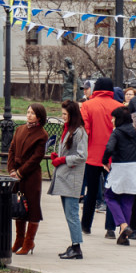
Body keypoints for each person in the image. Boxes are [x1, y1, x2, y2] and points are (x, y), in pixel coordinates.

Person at [81, 77, 123, 238]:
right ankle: (110, 229)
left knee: (91, 191)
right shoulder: (119, 107)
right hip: (113, 158)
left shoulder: (87, 105)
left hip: (92, 155)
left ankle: (86, 225)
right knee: (112, 192)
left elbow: (86, 131)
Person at [49, 100, 88, 259]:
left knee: (71, 213)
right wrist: (58, 156)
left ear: (72, 115)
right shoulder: (69, 130)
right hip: (65, 176)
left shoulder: (79, 132)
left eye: (65, 114)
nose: (62, 116)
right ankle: (74, 245)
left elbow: (82, 156)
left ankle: (77, 247)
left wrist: (63, 160)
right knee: (68, 214)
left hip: (71, 178)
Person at [8, 103, 49, 255]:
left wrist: (20, 172)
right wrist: (12, 170)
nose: (29, 115)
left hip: (30, 176)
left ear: (39, 116)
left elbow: (36, 158)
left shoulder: (42, 134)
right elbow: (11, 149)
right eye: (28, 112)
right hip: (17, 175)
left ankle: (29, 241)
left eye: (32, 113)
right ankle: (19, 239)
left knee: (32, 207)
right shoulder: (20, 129)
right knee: (19, 206)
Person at [102, 106, 136, 246]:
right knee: (127, 200)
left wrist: (104, 161)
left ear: (119, 119)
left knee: (109, 196)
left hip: (120, 167)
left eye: (113, 118)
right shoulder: (134, 132)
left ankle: (123, 225)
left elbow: (109, 148)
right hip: (133, 168)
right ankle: (124, 237)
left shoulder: (116, 133)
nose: (111, 120)